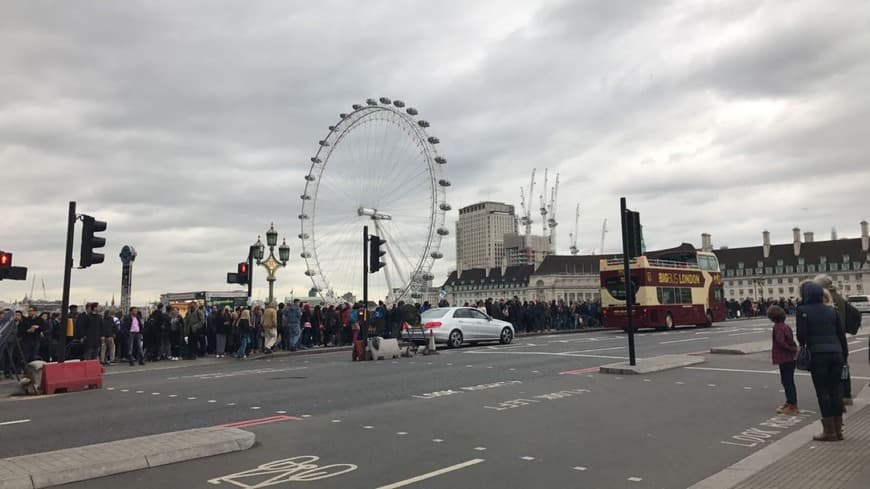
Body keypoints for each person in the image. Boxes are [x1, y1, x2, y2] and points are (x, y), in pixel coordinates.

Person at [796, 282, 848, 442]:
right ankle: (839, 429)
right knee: (835, 391)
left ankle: (829, 430)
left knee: (823, 392)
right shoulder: (832, 311)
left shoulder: (802, 311)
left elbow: (801, 336)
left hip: (818, 354)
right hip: (837, 353)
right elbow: (841, 335)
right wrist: (844, 355)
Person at [814, 275, 861, 406]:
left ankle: (838, 397)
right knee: (843, 366)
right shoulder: (839, 297)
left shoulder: (827, 298)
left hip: (832, 337)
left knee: (833, 369)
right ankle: (846, 394)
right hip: (840, 337)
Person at [769, 305, 798, 415]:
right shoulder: (785, 326)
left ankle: (792, 404)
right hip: (790, 357)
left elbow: (781, 342)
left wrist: (791, 349)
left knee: (787, 382)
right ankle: (790, 402)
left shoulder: (777, 327)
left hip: (784, 357)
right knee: (788, 381)